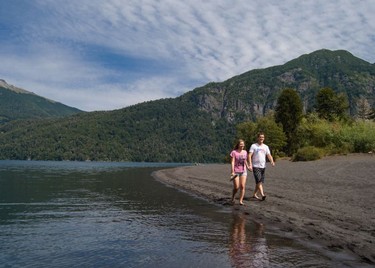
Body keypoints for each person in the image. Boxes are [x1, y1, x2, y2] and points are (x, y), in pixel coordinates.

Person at [247, 132, 275, 201]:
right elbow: (249, 155)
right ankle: (262, 194)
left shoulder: (266, 147)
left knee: (259, 181)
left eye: (263, 137)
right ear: (258, 138)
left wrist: (272, 161)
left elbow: (269, 155)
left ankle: (254, 194)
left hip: (263, 166)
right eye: (260, 137)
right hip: (255, 166)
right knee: (259, 180)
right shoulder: (254, 146)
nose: (261, 138)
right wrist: (250, 164)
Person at [230, 139, 249, 205]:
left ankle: (241, 201)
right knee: (236, 187)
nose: (242, 145)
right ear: (238, 145)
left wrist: (248, 166)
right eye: (241, 144)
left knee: (243, 186)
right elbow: (232, 162)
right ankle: (233, 197)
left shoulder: (245, 152)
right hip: (236, 171)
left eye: (243, 144)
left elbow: (245, 160)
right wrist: (232, 171)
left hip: (243, 171)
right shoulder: (234, 152)